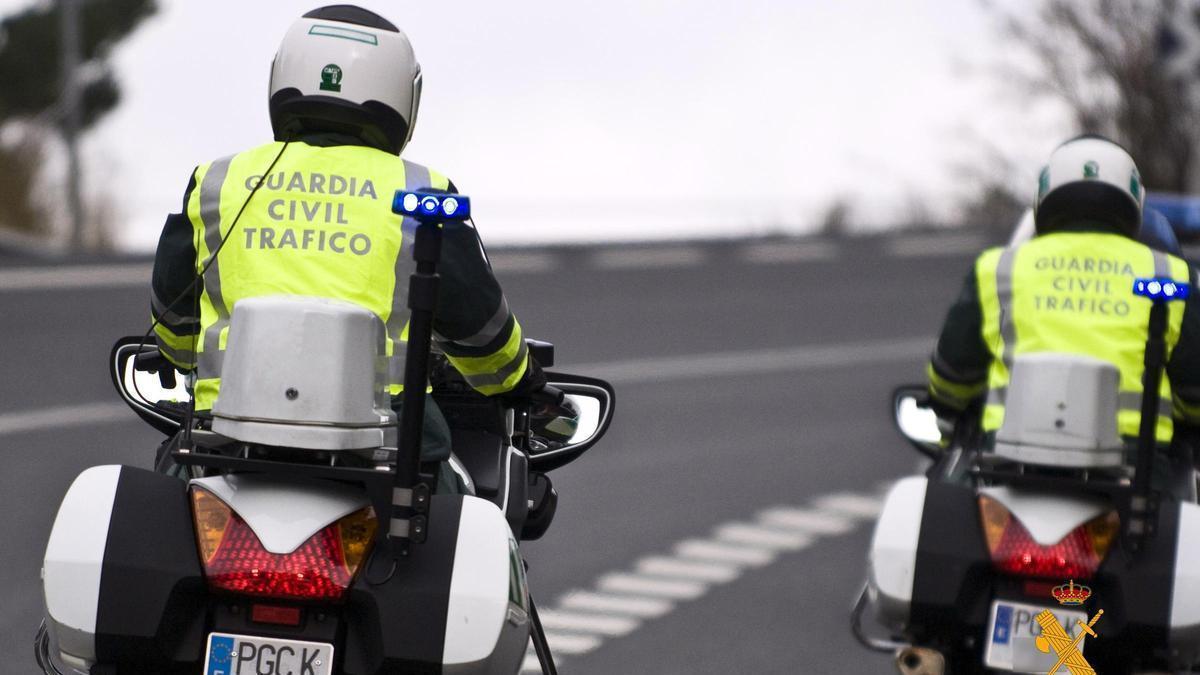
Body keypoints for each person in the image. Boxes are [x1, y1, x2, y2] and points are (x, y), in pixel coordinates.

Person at [148, 5, 572, 487]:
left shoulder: (218, 180)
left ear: (281, 76)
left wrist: (182, 357)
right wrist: (518, 380)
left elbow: (173, 310)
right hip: (387, 444)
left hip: (223, 434)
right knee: (469, 517)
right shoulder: (423, 190)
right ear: (403, 96)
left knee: (165, 492)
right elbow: (478, 323)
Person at [927, 134, 1200, 494]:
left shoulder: (1000, 268)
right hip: (1138, 476)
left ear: (1044, 198)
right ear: (1134, 202)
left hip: (1003, 468)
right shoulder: (1168, 278)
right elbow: (1195, 389)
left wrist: (949, 405)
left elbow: (952, 373)